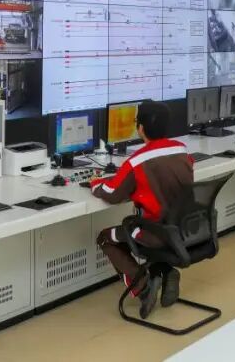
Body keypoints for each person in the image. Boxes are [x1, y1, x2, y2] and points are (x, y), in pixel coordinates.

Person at [91, 100, 193, 319]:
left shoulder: (137, 160)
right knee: (147, 227)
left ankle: (144, 287)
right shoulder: (181, 149)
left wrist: (95, 184)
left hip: (154, 233)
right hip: (183, 228)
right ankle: (166, 272)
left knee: (105, 238)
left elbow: (112, 193)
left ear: (140, 128)